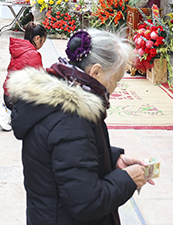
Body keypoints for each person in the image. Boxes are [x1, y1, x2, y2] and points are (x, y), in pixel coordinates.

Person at [8, 29, 153, 225]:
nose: (115, 88)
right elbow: (86, 203)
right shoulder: (71, 120)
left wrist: (113, 159)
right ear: (96, 72)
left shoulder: (59, 94)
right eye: (116, 80)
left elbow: (66, 157)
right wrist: (127, 179)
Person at [0, 22, 48, 132]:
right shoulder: (32, 54)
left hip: (8, 94)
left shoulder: (20, 48)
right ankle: (7, 113)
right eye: (43, 41)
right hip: (15, 98)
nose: (42, 45)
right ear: (37, 39)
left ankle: (8, 110)